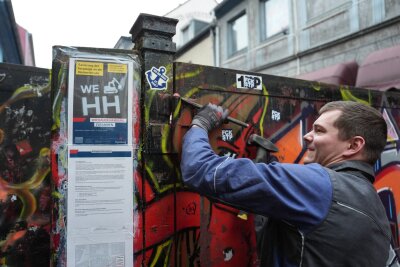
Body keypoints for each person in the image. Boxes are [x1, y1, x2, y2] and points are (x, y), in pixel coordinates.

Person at [180, 101, 396, 266]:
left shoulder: (320, 186)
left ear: (353, 145)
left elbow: (200, 169)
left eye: (319, 131)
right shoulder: (374, 203)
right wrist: (268, 171)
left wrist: (201, 124)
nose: (307, 137)